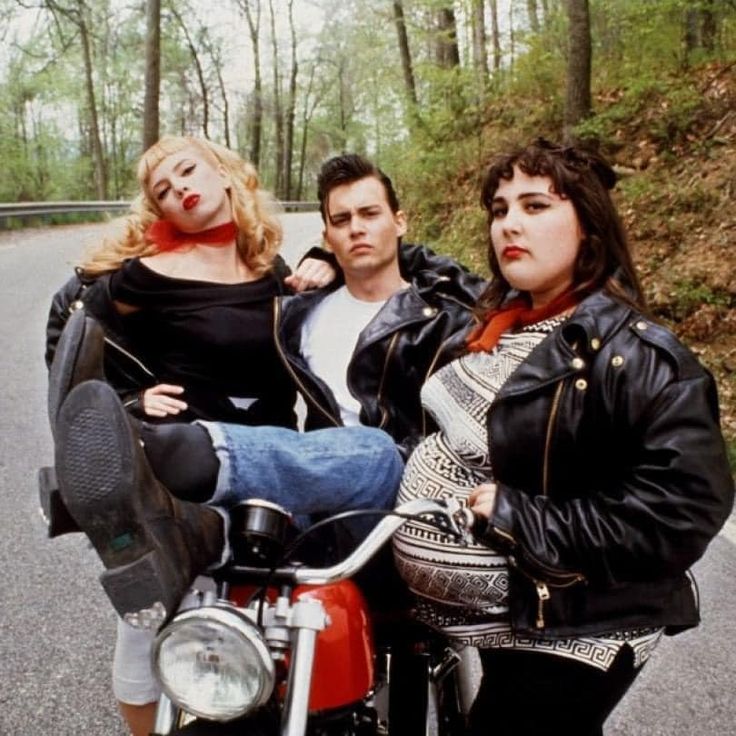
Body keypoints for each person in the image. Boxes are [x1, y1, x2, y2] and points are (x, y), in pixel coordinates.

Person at [48, 152, 482, 734]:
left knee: (374, 450)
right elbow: (77, 327)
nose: (357, 228)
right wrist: (129, 405)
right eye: (341, 220)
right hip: (294, 497)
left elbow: (467, 296)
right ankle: (177, 492)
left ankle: (180, 461)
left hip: (389, 493)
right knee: (180, 597)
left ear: (399, 221)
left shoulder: (432, 307)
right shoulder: (303, 307)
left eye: (370, 215)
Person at [391, 138, 735, 736]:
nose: (509, 225)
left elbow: (680, 514)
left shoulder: (640, 357)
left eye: (535, 206)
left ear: (590, 228)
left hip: (576, 631)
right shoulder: (495, 329)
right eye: (499, 210)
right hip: (492, 619)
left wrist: (520, 516)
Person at [43, 134, 338, 736]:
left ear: (225, 174)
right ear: (162, 211)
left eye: (187, 171)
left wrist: (328, 263)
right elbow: (70, 343)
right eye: (164, 190)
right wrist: (128, 402)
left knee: (280, 621)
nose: (181, 188)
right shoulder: (144, 276)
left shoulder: (270, 268)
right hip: (187, 466)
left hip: (271, 461)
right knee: (152, 614)